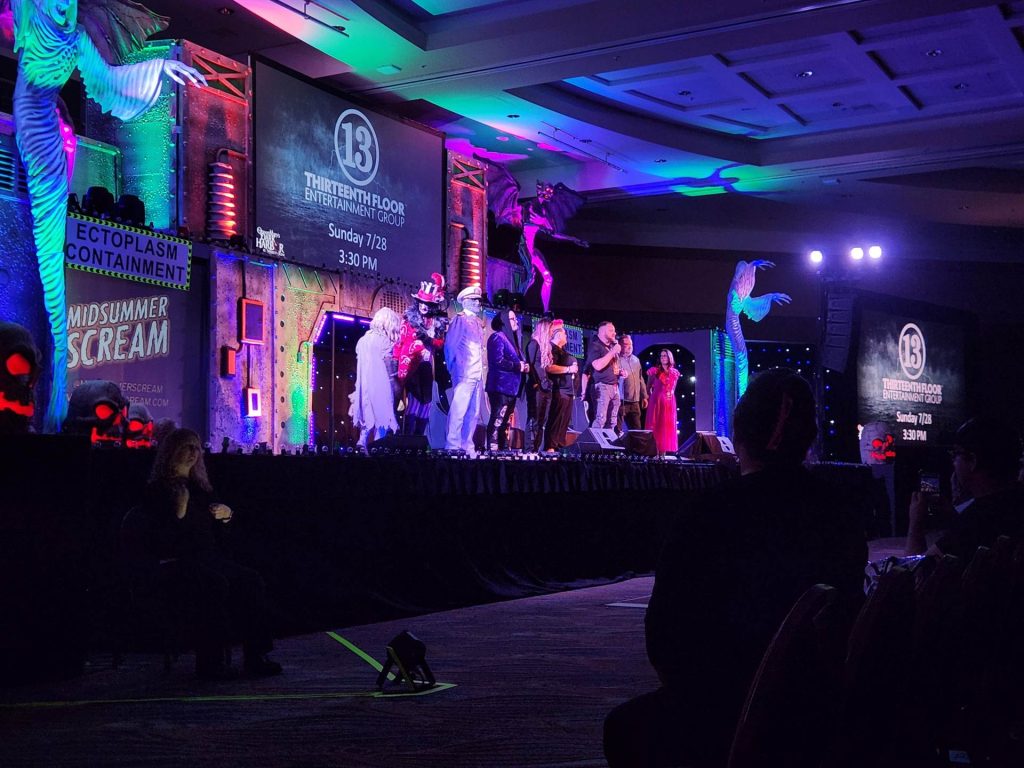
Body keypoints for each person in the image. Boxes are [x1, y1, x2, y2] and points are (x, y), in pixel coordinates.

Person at [604, 368, 867, 767]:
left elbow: (665, 636)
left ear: (739, 438)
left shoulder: (708, 512)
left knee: (624, 729)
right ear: (810, 437)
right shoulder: (839, 509)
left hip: (733, 703)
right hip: (827, 702)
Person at [138, 428, 280, 680]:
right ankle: (210, 663)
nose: (193, 452)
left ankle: (256, 656)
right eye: (187, 446)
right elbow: (161, 539)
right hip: (174, 562)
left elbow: (217, 533)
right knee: (214, 583)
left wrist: (226, 516)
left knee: (251, 580)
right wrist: (179, 510)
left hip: (207, 557)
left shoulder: (201, 488)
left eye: (196, 447)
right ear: (172, 451)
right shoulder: (158, 489)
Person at [905, 416, 1024, 561]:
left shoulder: (977, 521)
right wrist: (956, 518)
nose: (953, 463)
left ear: (973, 461)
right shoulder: (1012, 506)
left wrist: (916, 525)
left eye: (955, 455)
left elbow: (914, 571)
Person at [395, 273, 447, 436]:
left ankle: (419, 440)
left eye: (428, 303)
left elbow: (440, 343)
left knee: (426, 404)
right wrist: (395, 363)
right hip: (411, 367)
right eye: (422, 302)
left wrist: (428, 339)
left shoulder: (436, 323)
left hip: (428, 368)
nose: (424, 306)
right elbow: (400, 344)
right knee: (412, 402)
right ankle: (407, 440)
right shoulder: (409, 321)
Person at [349, 307, 401, 448]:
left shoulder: (362, 341)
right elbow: (390, 367)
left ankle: (362, 443)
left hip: (364, 385)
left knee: (367, 416)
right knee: (382, 419)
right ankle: (378, 449)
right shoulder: (385, 342)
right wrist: (396, 384)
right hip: (381, 386)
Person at [445, 286, 485, 456]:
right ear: (465, 302)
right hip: (464, 372)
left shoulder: (477, 322)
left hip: (476, 373)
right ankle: (452, 445)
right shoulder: (459, 320)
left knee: (473, 412)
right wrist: (453, 367)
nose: (478, 303)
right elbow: (450, 345)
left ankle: (467, 445)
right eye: (474, 300)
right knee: (459, 410)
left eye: (478, 300)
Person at [485, 309, 529, 451]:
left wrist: (524, 366)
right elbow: (497, 361)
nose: (516, 322)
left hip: (511, 388)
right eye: (512, 319)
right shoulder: (497, 337)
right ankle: (492, 447)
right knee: (498, 418)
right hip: (500, 386)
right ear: (504, 321)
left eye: (515, 318)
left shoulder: (513, 341)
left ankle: (503, 447)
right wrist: (517, 366)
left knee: (506, 420)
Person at [543, 319, 578, 452]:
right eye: (564, 334)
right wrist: (568, 369)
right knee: (556, 419)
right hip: (559, 390)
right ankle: (550, 446)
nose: (566, 336)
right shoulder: (552, 349)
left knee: (564, 421)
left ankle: (559, 445)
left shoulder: (563, 351)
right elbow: (550, 367)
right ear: (558, 335)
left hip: (568, 392)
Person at [585, 321, 621, 430]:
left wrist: (620, 372)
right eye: (611, 330)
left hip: (614, 387)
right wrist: (613, 352)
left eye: (614, 330)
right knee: (600, 419)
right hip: (602, 387)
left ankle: (610, 440)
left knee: (613, 421)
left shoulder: (610, 347)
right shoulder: (595, 346)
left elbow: (610, 367)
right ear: (602, 331)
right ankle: (595, 440)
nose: (614, 333)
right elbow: (597, 365)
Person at [525, 318, 553, 452]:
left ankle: (536, 449)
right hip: (536, 387)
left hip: (545, 387)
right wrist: (536, 383)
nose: (552, 333)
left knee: (542, 420)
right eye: (550, 330)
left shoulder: (544, 347)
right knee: (534, 419)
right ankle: (529, 449)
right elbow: (530, 365)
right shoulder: (533, 344)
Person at [645, 349, 681, 454]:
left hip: (669, 402)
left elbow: (673, 389)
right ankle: (654, 452)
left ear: (669, 357)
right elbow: (648, 387)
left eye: (665, 355)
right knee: (655, 425)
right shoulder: (654, 371)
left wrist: (668, 397)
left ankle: (663, 454)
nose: (663, 358)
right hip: (656, 401)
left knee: (666, 426)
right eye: (661, 356)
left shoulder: (675, 373)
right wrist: (651, 397)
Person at [617, 335, 648, 432]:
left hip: (635, 402)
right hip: (621, 401)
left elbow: (640, 378)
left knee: (637, 430)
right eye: (627, 344)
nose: (630, 347)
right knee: (617, 430)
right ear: (620, 345)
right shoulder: (616, 359)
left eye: (631, 344)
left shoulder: (636, 360)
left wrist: (644, 396)